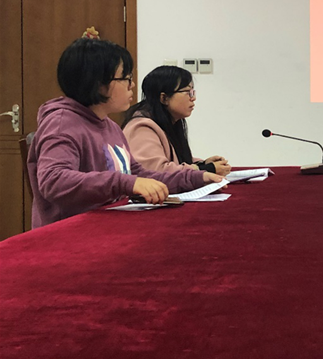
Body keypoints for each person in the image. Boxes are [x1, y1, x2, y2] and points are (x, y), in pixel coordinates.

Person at [29, 38, 223, 228]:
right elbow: (54, 180)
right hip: (70, 233)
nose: (132, 85)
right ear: (98, 83)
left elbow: (139, 174)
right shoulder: (62, 124)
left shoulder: (110, 126)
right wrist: (124, 183)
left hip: (109, 225)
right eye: (126, 78)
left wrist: (195, 178)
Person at [122, 66, 231, 176]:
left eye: (192, 92)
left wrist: (203, 164)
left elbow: (175, 161)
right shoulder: (142, 128)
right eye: (187, 92)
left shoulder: (170, 121)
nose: (193, 98)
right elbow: (156, 171)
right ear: (164, 98)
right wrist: (206, 169)